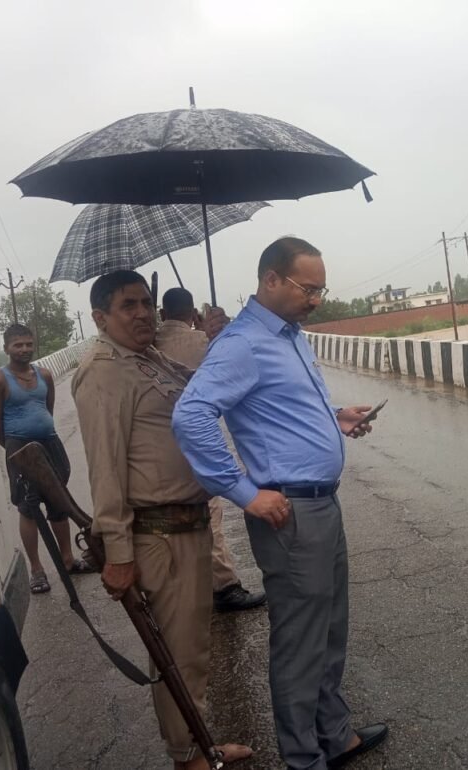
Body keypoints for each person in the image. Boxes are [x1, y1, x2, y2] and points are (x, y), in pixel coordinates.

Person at [173, 237, 389, 770]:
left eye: (320, 289)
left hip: (321, 505)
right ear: (271, 279)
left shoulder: (289, 336)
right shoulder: (242, 343)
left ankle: (334, 736)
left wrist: (336, 418)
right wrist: (244, 492)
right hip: (290, 513)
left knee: (329, 628)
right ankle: (303, 758)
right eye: (307, 288)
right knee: (300, 641)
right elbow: (191, 416)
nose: (316, 299)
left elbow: (281, 408)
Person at [72, 271, 251, 770]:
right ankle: (189, 756)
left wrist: (219, 339)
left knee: (192, 648)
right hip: (159, 535)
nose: (142, 314)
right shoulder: (103, 371)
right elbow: (105, 469)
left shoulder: (148, 357)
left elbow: (204, 390)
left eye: (145, 303)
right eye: (127, 305)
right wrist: (118, 554)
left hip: (189, 525)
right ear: (100, 317)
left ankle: (198, 741)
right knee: (177, 652)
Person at [155, 286, 267, 614]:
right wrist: (217, 334)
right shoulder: (205, 343)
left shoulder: (148, 347)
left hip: (158, 447)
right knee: (210, 516)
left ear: (161, 314)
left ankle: (185, 588)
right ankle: (225, 586)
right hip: (197, 441)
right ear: (193, 314)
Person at [0, 323, 93, 594]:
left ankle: (68, 560)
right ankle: (37, 570)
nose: (24, 349)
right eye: (18, 345)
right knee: (28, 508)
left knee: (59, 503)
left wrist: (43, 435)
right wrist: (16, 450)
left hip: (50, 445)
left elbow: (48, 408)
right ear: (7, 348)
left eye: (28, 344)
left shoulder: (44, 375)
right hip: (20, 449)